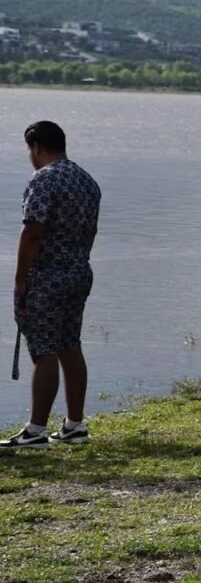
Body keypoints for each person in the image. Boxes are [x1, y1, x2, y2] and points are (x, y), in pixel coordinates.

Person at [3, 121, 101, 449]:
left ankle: (36, 430)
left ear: (37, 148)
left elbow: (32, 231)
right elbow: (91, 233)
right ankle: (75, 425)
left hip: (46, 276)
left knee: (43, 350)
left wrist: (20, 279)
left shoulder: (43, 179)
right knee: (69, 345)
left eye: (30, 150)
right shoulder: (87, 181)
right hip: (78, 272)